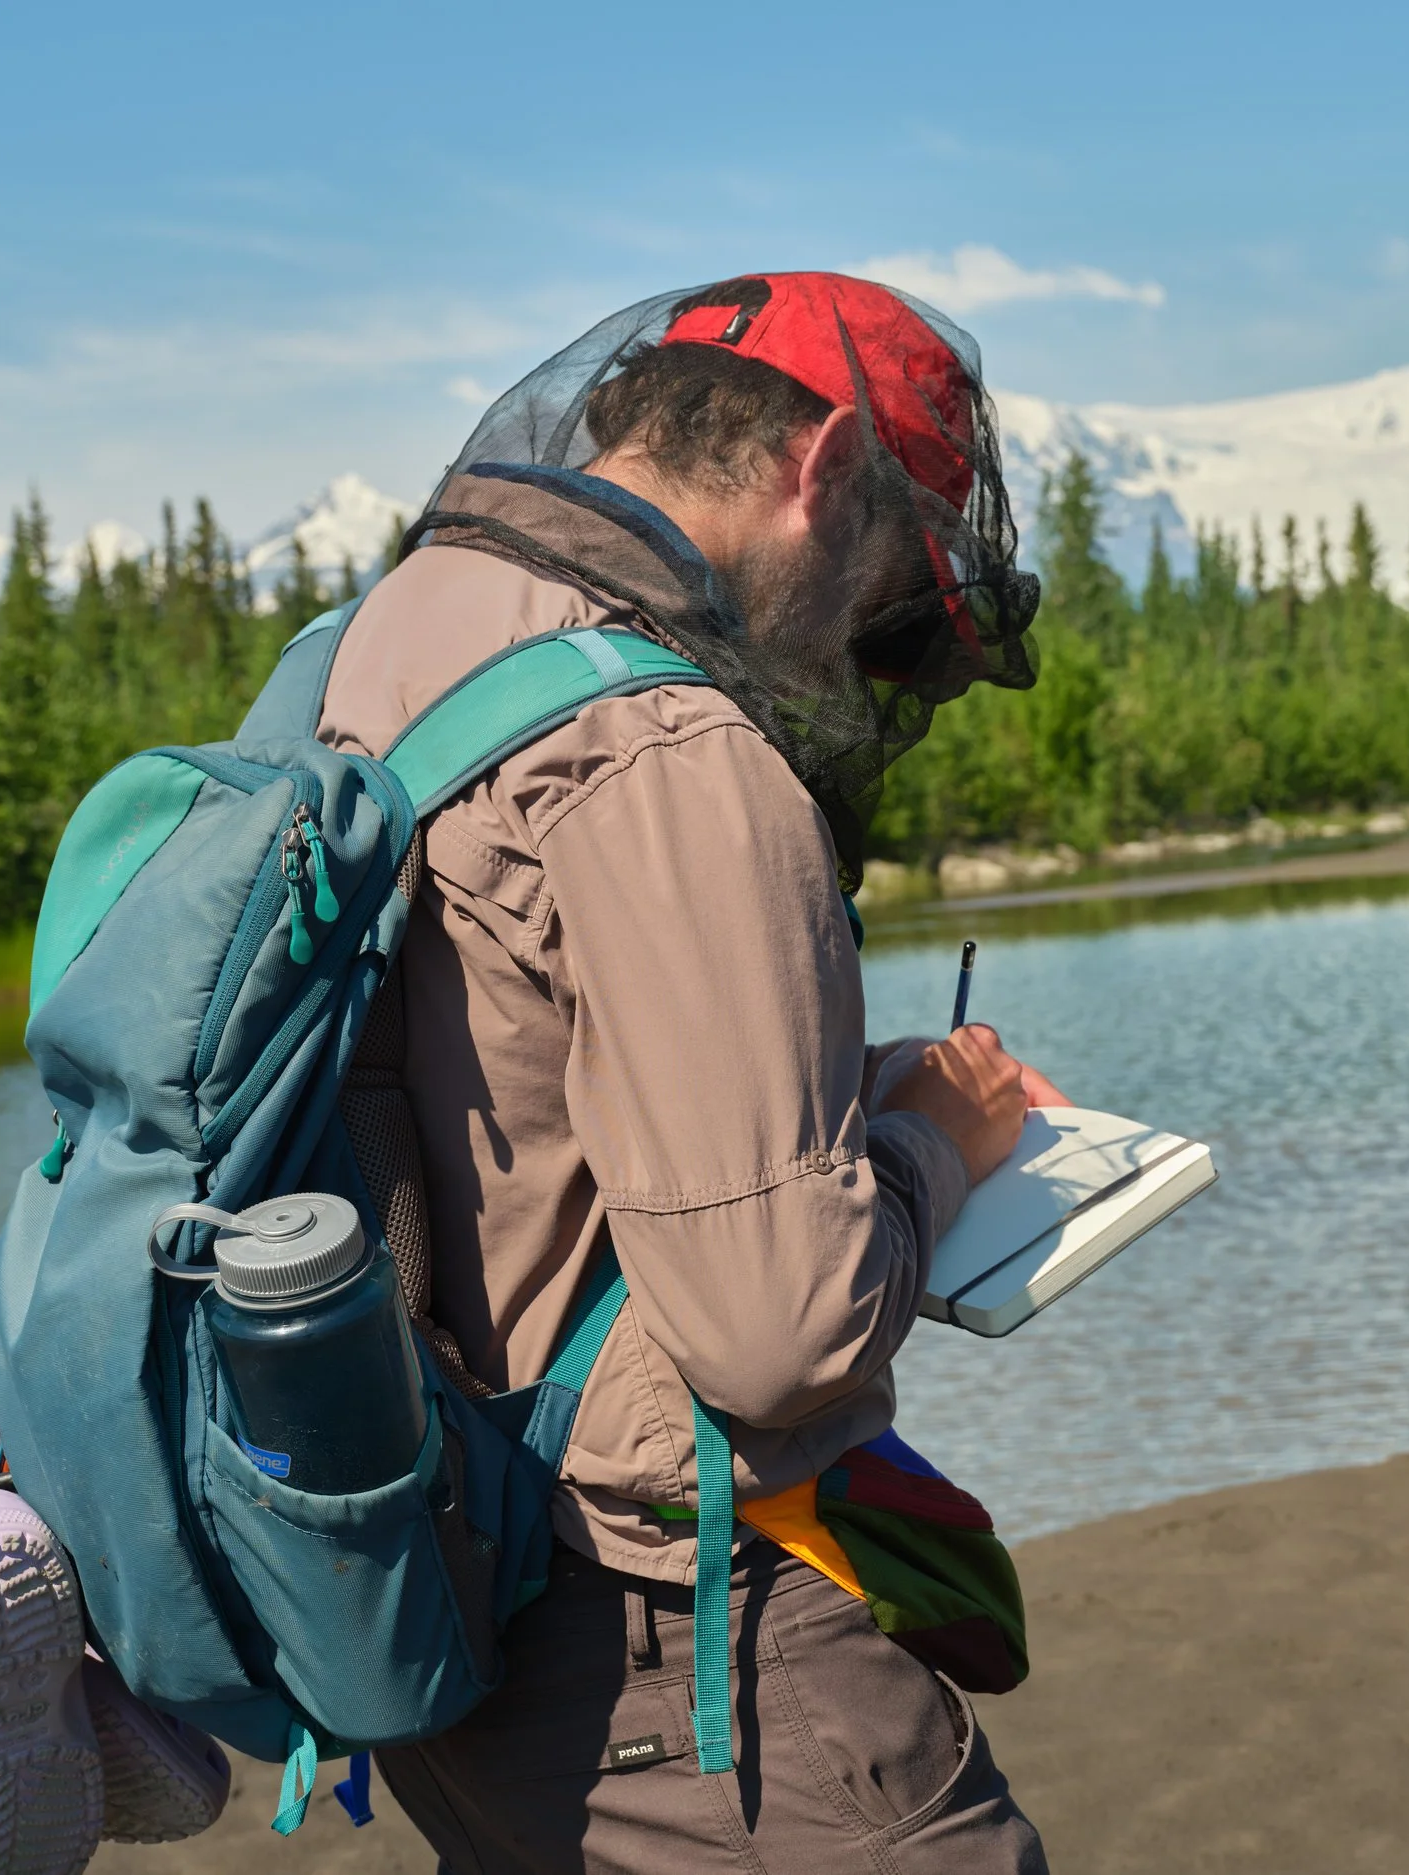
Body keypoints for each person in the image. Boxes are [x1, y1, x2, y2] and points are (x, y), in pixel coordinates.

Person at [318, 273, 1058, 1873]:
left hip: (452, 1587)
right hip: (685, 1639)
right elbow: (782, 1334)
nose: (875, 626)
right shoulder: (665, 746)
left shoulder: (408, 630)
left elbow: (522, 1087)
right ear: (829, 465)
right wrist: (934, 1137)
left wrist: (821, 1092)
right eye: (895, 557)